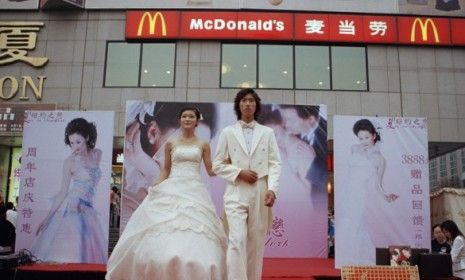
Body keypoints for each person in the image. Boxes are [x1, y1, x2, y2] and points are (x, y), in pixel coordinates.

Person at [106, 107, 227, 280]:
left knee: (196, 231)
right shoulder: (172, 143)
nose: (187, 119)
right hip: (173, 185)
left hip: (194, 189)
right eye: (184, 116)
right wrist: (156, 185)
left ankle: (194, 271)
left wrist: (231, 169)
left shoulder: (203, 144)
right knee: (165, 228)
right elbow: (166, 170)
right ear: (180, 119)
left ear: (196, 120)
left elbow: (210, 170)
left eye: (191, 116)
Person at [213, 88, 282, 280]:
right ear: (238, 105)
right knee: (236, 240)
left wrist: (272, 189)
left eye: (252, 100)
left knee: (256, 242)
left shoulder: (267, 132)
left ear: (256, 105)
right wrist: (239, 173)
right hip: (236, 190)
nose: (248, 104)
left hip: (261, 189)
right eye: (244, 100)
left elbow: (275, 163)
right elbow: (217, 164)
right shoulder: (227, 132)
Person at [122, 102, 217, 230]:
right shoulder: (130, 191)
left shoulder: (203, 147)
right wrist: (154, 178)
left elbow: (210, 169)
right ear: (153, 132)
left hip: (194, 193)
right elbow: (166, 170)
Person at [31, 118, 107, 263]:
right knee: (72, 253)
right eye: (71, 143)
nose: (74, 147)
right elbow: (62, 192)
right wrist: (47, 218)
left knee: (89, 253)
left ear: (87, 138)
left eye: (78, 142)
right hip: (74, 209)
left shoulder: (98, 154)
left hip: (89, 210)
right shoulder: (69, 162)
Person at [336, 119, 398, 266]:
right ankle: (347, 258)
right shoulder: (354, 148)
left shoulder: (379, 159)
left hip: (359, 195)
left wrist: (386, 196)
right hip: (346, 192)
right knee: (345, 222)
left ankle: (359, 259)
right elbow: (348, 172)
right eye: (360, 138)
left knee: (354, 224)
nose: (363, 141)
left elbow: (378, 184)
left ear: (374, 136)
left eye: (366, 137)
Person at [278, 105, 327, 200]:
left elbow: (329, 180)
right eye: (284, 119)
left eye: (291, 120)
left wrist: (312, 161)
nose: (286, 125)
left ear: (311, 120)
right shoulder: (294, 134)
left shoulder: (325, 138)